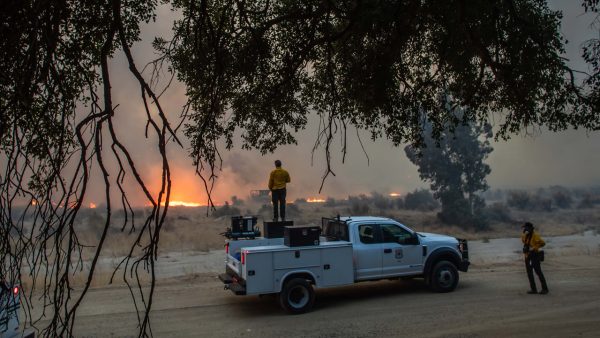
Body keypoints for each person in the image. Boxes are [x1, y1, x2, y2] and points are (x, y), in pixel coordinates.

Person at [521, 222, 549, 294]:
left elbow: (543, 243)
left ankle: (545, 289)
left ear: (530, 228)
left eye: (526, 228)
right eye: (524, 228)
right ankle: (533, 289)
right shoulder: (524, 235)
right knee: (529, 273)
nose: (525, 229)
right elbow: (524, 242)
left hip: (535, 255)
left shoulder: (535, 235)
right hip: (527, 255)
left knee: (538, 272)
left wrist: (534, 248)